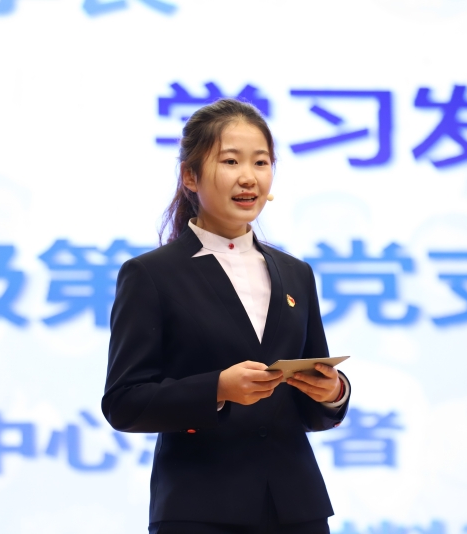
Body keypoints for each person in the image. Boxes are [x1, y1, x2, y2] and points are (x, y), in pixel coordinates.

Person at [102, 98, 351, 534]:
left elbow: (311, 405)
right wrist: (217, 388)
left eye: (261, 162)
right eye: (231, 161)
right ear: (190, 176)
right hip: (200, 509)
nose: (248, 177)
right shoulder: (151, 275)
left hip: (297, 508)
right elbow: (124, 403)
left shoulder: (296, 273)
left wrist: (332, 392)